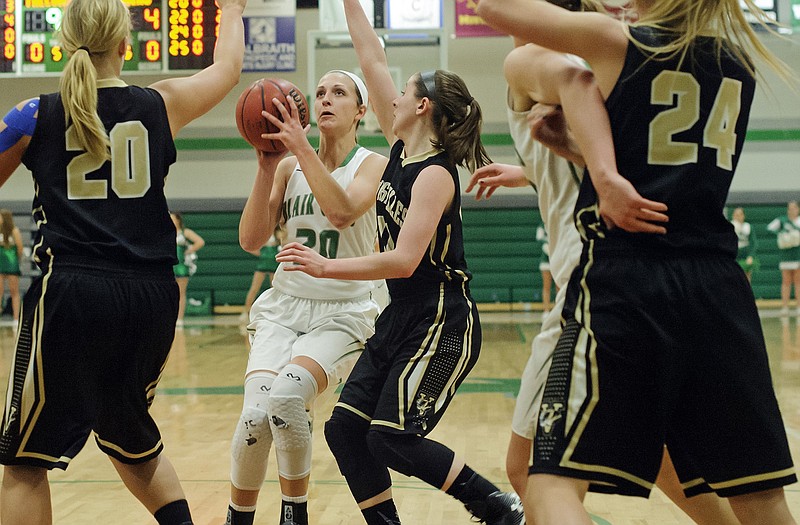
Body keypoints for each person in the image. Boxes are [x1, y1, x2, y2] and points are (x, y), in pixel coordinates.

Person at [477, 0, 797, 524]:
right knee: (761, 502)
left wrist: (598, 171)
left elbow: (491, 7)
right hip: (717, 286)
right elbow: (665, 173)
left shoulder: (616, 43)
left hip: (624, 278)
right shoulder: (738, 64)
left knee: (548, 488)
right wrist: (576, 153)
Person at [272, 2, 524, 524]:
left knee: (390, 437)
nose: (395, 94)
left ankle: (495, 505)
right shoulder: (398, 147)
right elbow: (370, 54)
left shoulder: (436, 173)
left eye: (405, 91)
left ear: (423, 106)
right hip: (401, 317)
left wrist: (326, 267)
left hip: (441, 317)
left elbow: (406, 261)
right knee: (345, 430)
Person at [0, 0, 246, 522]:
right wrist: (234, 8)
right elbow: (228, 69)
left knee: (23, 461)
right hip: (151, 297)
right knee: (126, 434)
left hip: (74, 292)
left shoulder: (32, 114)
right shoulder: (162, 103)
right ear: (124, 45)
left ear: (66, 44)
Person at [226, 68, 388, 525]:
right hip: (285, 307)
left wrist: (298, 147)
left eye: (339, 92)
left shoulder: (372, 164)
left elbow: (340, 211)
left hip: (344, 308)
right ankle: (237, 517)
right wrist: (264, 166)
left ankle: (294, 515)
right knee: (255, 417)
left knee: (287, 399)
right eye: (319, 93)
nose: (325, 99)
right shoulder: (285, 165)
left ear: (360, 112)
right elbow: (251, 240)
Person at [171, 211, 205, 326]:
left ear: (178, 220)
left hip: (181, 266)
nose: (171, 221)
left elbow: (200, 242)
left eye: (173, 219)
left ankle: (179, 319)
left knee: (181, 293)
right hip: (169, 266)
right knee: (169, 293)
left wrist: (189, 250)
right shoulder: (166, 233)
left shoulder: (185, 232)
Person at [240, 230, 281, 323]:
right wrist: (262, 253)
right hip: (262, 264)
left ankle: (276, 312)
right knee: (254, 289)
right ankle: (245, 312)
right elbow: (250, 245)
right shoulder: (263, 233)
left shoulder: (278, 232)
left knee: (275, 289)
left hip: (274, 263)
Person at [767, 201, 800, 316]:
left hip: (797, 255)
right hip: (785, 255)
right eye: (790, 208)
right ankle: (785, 307)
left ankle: (798, 306)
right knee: (786, 281)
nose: (792, 210)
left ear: (798, 209)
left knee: (798, 281)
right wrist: (781, 233)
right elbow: (769, 228)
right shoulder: (782, 220)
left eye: (794, 208)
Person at [0, 208, 24, 324]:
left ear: (5, 218)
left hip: (11, 264)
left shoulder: (14, 231)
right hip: (0, 264)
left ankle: (16, 318)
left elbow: (20, 248)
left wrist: (16, 260)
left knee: (14, 292)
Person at [731, 206, 759, 284]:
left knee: (746, 278)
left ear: (743, 216)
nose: (738, 217)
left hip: (745, 255)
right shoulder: (730, 227)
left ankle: (746, 295)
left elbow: (753, 243)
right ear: (733, 216)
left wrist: (750, 256)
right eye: (736, 215)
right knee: (733, 277)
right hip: (734, 255)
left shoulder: (748, 227)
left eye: (740, 214)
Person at [535, 223, 553, 313]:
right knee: (546, 287)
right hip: (545, 262)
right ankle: (546, 311)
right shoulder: (542, 225)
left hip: (556, 261)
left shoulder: (555, 221)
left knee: (559, 287)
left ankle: (560, 310)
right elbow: (539, 239)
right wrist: (546, 245)